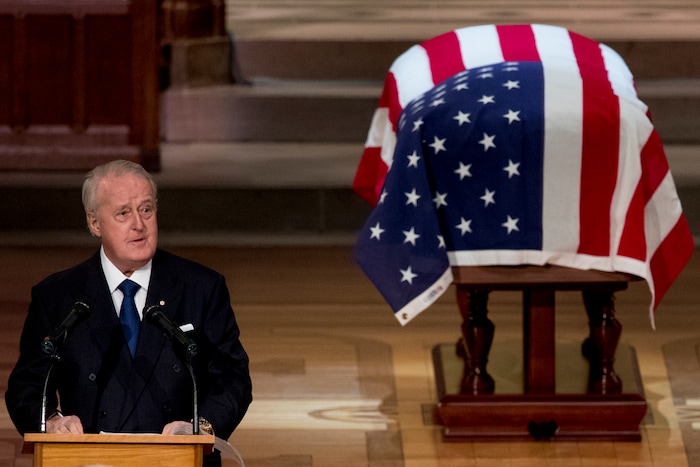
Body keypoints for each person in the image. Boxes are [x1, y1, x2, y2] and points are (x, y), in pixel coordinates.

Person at [5, 159, 252, 466]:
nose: (139, 224)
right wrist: (51, 421)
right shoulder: (57, 296)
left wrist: (201, 427)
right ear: (94, 223)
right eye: (123, 213)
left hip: (177, 460)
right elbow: (27, 387)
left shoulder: (201, 287)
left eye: (146, 209)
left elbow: (233, 378)